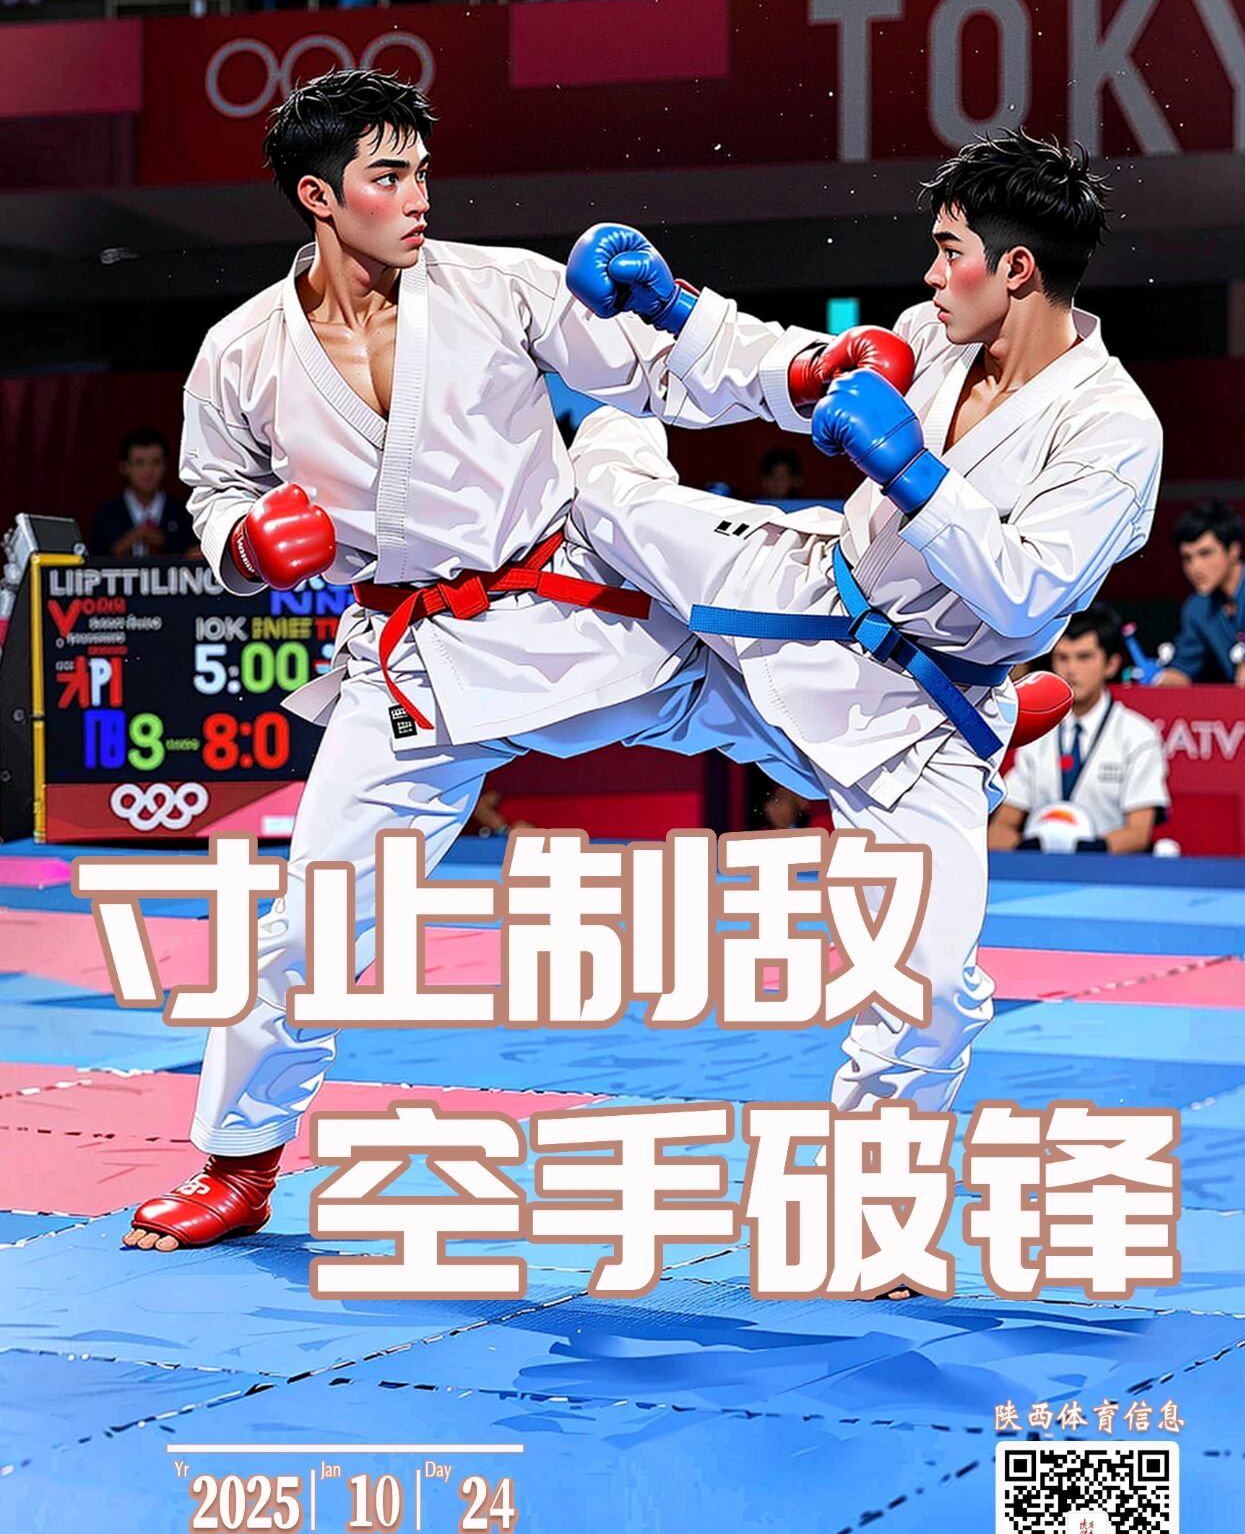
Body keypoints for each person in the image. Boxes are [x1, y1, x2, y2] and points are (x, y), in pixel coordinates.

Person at [123, 66, 853, 1253]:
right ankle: (238, 1166)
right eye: (388, 175)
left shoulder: (497, 285)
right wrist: (247, 542)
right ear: (318, 195)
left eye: (422, 170)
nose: (419, 195)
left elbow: (654, 364)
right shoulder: (240, 351)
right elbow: (214, 491)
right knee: (307, 926)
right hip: (414, 666)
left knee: (824, 720)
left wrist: (799, 371)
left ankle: (969, 724)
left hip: (583, 612)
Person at [567, 130, 1161, 1137]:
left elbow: (1026, 594)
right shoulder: (932, 337)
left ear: (1015, 268)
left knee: (930, 994)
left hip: (921, 710)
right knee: (607, 498)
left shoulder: (1113, 430)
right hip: (802, 584)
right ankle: (609, 419)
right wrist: (672, 308)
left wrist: (913, 472)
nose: (929, 275)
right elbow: (804, 366)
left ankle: (869, 1186)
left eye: (948, 251)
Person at [989, 606, 1168, 854]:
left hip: (1107, 869)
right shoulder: (1038, 730)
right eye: (1062, 658)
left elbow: (1139, 833)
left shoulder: (1138, 735)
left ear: (1111, 664)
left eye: (1084, 657)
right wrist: (1028, 848)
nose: (1071, 669)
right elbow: (999, 829)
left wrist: (1085, 851)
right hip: (1042, 869)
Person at [1156, 500, 1245, 685]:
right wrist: (1153, 677)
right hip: (1241, 702)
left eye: (1205, 553)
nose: (1195, 568)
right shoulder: (1196, 608)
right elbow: (1183, 671)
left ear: (1233, 551)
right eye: (1187, 558)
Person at [89, 427, 199, 560]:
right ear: (124, 467)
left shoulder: (185, 513)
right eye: (139, 463)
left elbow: (195, 556)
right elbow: (90, 563)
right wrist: (123, 546)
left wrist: (168, 544)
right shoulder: (105, 516)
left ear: (166, 466)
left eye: (156, 462)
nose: (148, 471)